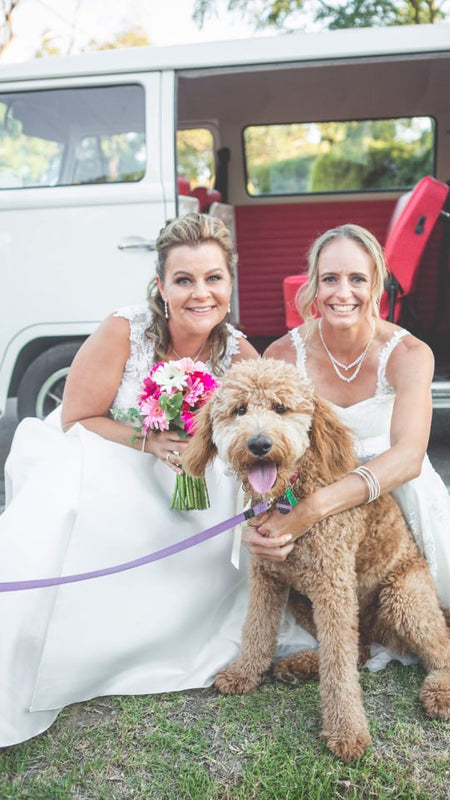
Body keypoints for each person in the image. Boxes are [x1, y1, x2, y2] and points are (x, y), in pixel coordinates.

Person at [0, 212, 315, 747]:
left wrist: (279, 509)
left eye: (214, 278)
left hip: (195, 480)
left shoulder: (239, 352)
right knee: (74, 501)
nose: (201, 293)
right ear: (161, 286)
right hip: (114, 451)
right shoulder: (124, 331)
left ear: (229, 283)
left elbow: (268, 441)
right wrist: (149, 442)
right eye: (184, 279)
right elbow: (78, 418)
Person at [243, 223, 450, 666]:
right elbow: (268, 447)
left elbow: (408, 457)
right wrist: (270, 514)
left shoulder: (409, 354)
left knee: (434, 615)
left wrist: (312, 508)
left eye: (357, 279)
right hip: (311, 501)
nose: (341, 292)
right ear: (313, 283)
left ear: (377, 284)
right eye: (330, 279)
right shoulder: (282, 355)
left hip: (398, 496)